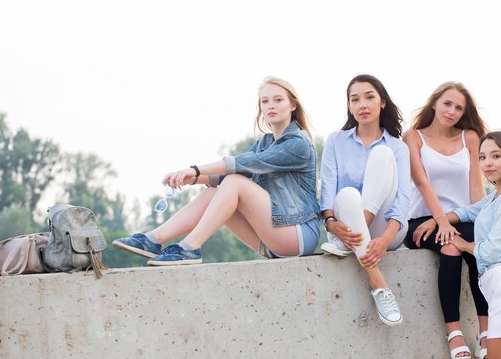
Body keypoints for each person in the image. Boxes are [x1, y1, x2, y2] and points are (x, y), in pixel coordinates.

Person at [113, 76, 321, 265]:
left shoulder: (298, 143)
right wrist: (190, 179)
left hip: (299, 235)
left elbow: (241, 163)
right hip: (271, 242)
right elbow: (225, 176)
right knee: (220, 188)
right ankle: (153, 240)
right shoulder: (265, 142)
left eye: (278, 100)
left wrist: (193, 170)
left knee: (234, 182)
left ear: (292, 104)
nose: (270, 106)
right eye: (264, 101)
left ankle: (190, 247)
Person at [404, 82, 489, 359]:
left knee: (477, 244)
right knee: (451, 247)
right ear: (434, 103)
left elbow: (476, 189)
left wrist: (484, 224)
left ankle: (485, 333)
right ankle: (454, 333)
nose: (451, 111)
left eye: (458, 107)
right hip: (421, 220)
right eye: (447, 103)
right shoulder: (413, 137)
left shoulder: (471, 138)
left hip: (461, 217)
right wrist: (439, 221)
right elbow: (421, 182)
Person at [320, 74, 411, 326]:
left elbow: (404, 197)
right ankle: (380, 285)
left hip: (386, 230)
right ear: (349, 106)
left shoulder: (398, 147)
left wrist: (384, 239)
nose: (363, 104)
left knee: (381, 154)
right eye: (355, 99)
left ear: (382, 102)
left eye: (369, 97)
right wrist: (330, 223)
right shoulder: (335, 141)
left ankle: (354, 237)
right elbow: (327, 187)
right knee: (347, 194)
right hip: (344, 227)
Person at [445, 131, 501, 359]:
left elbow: (492, 251)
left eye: (496, 156)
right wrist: (436, 221)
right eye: (483, 157)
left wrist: (464, 245)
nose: (488, 163)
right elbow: (467, 212)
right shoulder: (497, 197)